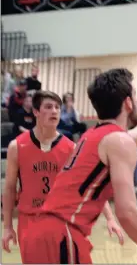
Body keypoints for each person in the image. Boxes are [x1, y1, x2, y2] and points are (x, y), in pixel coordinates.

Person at [20, 69, 137, 264]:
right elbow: (127, 213)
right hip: (61, 235)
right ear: (128, 103)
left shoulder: (94, 136)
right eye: (135, 95)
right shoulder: (118, 142)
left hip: (41, 234)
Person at [2, 90, 124, 262]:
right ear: (36, 112)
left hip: (62, 222)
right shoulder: (17, 146)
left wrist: (110, 218)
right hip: (30, 222)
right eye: (49, 107)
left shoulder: (71, 148)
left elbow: (89, 185)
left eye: (58, 108)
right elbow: (9, 189)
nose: (54, 111)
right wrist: (7, 227)